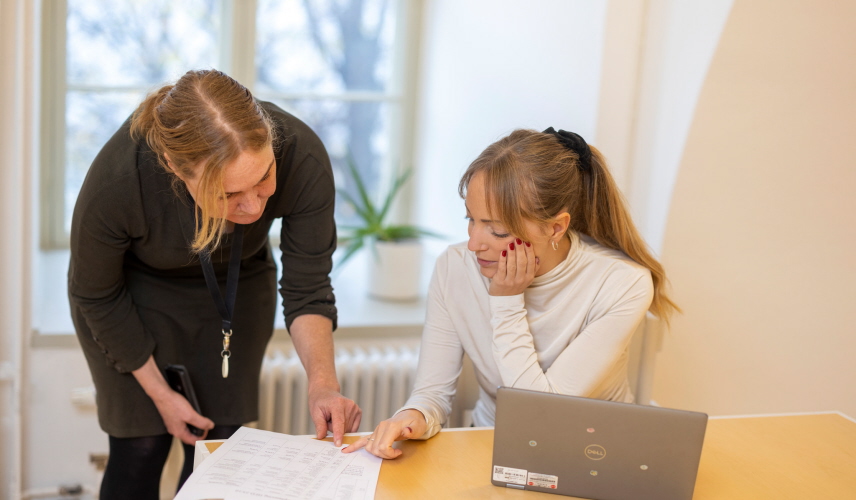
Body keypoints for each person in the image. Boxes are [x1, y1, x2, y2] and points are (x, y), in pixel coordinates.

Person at [68, 69, 361, 498]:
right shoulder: (119, 182)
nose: (253, 207)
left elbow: (308, 285)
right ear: (173, 167)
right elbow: (94, 291)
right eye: (227, 195)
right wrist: (161, 396)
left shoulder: (302, 155)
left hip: (235, 287)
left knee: (219, 453)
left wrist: (323, 385)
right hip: (130, 297)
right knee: (141, 447)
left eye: (263, 180)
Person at [344, 127, 679, 459]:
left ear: (556, 228)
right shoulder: (454, 267)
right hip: (491, 446)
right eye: (471, 219)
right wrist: (411, 418)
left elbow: (540, 413)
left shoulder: (623, 282)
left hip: (594, 455)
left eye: (498, 230)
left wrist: (505, 300)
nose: (474, 244)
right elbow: (432, 394)